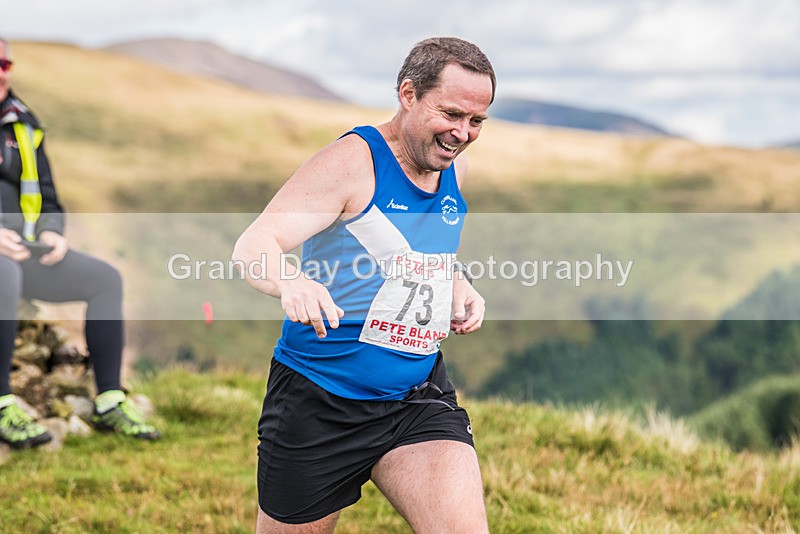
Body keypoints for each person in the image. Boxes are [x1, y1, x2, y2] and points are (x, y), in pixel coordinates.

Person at [233, 37, 494, 532]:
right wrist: (291, 281)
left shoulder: (443, 161)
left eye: (476, 121)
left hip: (416, 396)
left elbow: (415, 250)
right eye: (452, 114)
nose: (462, 133)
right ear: (408, 93)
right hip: (320, 402)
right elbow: (255, 242)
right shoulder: (352, 162)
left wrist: (458, 284)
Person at [0, 37, 160, 449]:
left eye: (5, 63)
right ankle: (3, 406)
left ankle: (109, 399)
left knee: (104, 278)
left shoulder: (24, 124)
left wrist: (53, 230)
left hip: (25, 252)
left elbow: (48, 195)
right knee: (4, 276)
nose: (1, 71)